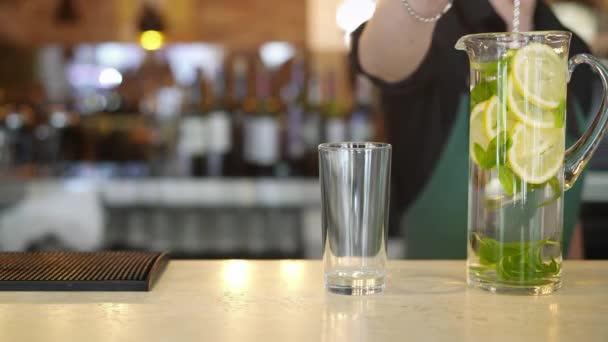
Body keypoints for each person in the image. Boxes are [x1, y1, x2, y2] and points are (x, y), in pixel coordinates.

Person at [352, 0, 594, 257]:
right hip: (440, 294)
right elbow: (379, 61)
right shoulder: (435, 30)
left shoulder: (571, 46)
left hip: (545, 288)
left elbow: (566, 212)